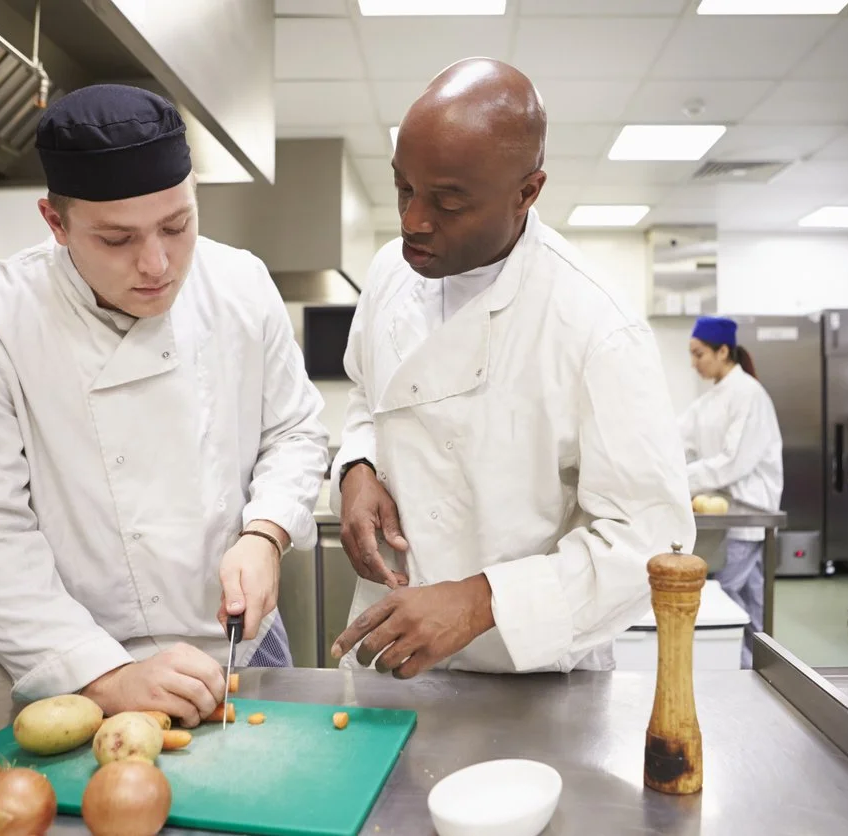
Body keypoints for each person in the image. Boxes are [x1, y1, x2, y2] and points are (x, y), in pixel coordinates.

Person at [0, 84, 329, 726]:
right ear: (56, 224)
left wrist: (265, 532)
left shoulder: (240, 284)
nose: (157, 264)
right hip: (80, 659)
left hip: (245, 643)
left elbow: (295, 431)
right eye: (116, 240)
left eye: (177, 225)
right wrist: (103, 674)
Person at [327, 58, 695, 679]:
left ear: (527, 193)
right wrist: (358, 468)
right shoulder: (393, 270)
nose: (413, 220)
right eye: (403, 188)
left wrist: (480, 600)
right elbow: (368, 392)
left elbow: (650, 540)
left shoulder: (596, 324)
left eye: (447, 201)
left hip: (530, 673)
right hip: (387, 653)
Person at [679, 316, 783, 668]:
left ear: (723, 351)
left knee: (726, 596)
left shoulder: (748, 393)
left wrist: (680, 478)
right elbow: (678, 437)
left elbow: (732, 461)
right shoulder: (712, 398)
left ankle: (739, 670)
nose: (694, 363)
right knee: (749, 599)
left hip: (749, 508)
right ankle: (755, 669)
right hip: (729, 510)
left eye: (699, 354)